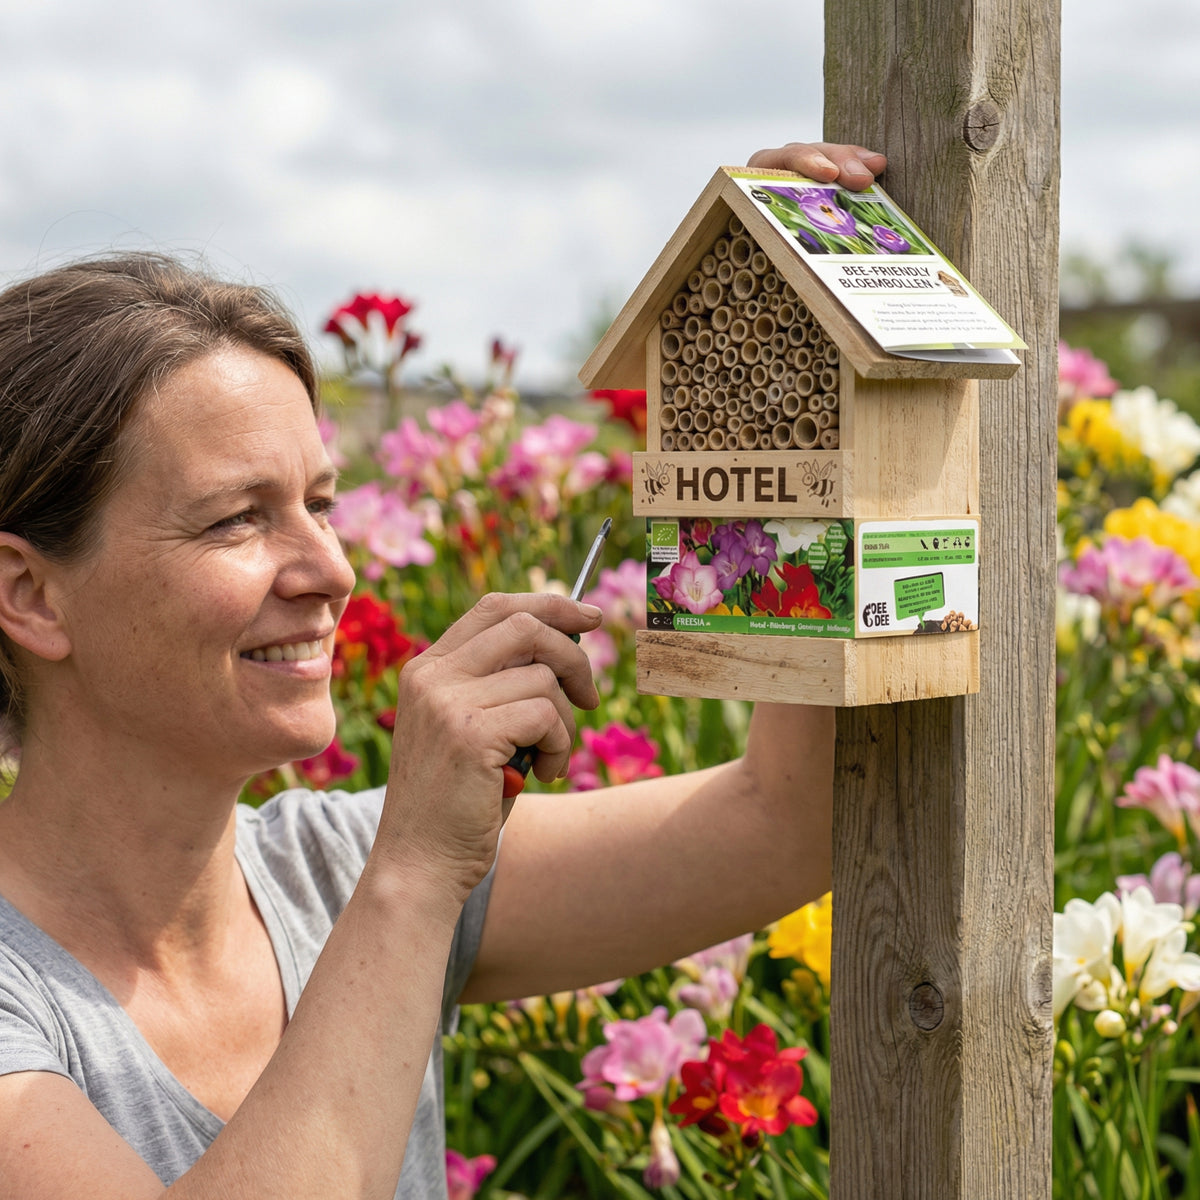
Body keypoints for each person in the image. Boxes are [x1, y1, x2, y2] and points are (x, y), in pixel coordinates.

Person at [0, 140, 885, 1199]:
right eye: (238, 519)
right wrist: (416, 873)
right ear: (31, 596)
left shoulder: (327, 869)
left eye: (321, 503)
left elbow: (789, 820)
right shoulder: (376, 880)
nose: (330, 568)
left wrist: (780, 379)